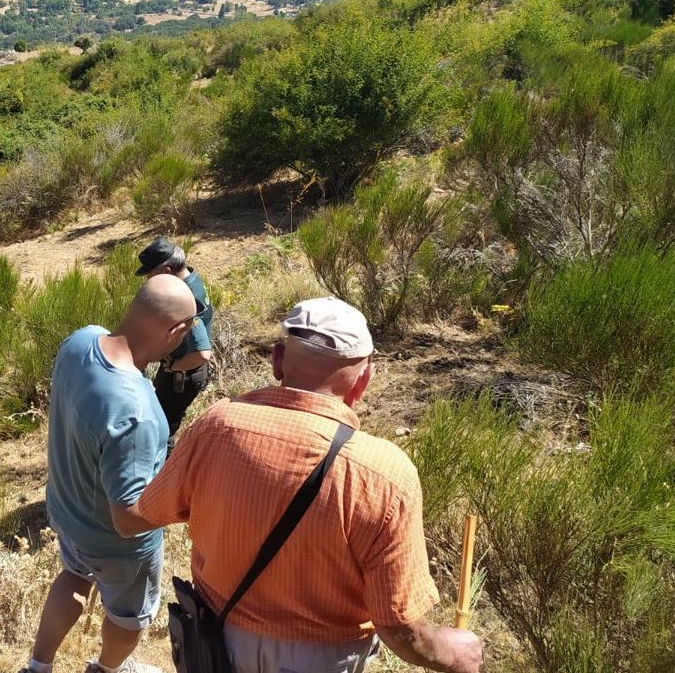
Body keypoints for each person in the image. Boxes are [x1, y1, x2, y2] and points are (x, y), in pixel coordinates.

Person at [115, 297, 483, 673]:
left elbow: (137, 517)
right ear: (365, 378)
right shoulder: (384, 473)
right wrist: (454, 654)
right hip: (320, 659)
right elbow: (400, 628)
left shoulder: (217, 426)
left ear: (277, 360)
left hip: (214, 641)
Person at [25, 275, 205, 673]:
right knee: (129, 616)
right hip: (117, 546)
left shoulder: (80, 340)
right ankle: (106, 669)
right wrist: (192, 506)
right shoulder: (137, 413)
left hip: (68, 512)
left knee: (73, 575)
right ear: (175, 331)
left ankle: (38, 666)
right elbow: (126, 520)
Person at [134, 238, 214, 451]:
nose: (148, 280)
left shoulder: (185, 298)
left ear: (167, 270)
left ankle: (164, 477)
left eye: (151, 274)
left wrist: (173, 367)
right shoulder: (192, 278)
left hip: (183, 373)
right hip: (184, 370)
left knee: (162, 431)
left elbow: (203, 353)